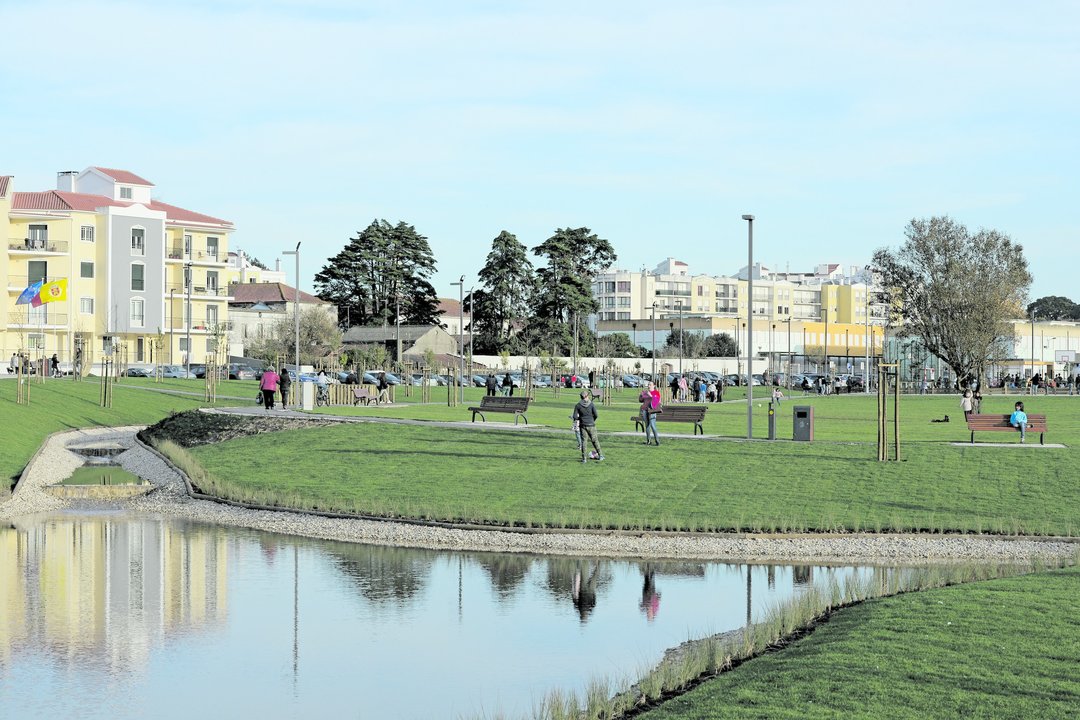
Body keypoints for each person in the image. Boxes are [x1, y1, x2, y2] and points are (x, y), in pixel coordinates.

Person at [572, 390, 603, 463]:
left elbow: (574, 417)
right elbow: (596, 415)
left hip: (583, 426)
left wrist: (580, 419)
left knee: (584, 442)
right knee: (595, 440)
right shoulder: (591, 404)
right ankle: (600, 455)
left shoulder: (578, 405)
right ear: (586, 396)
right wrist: (592, 420)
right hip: (591, 425)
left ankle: (584, 459)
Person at [639, 381, 662, 446]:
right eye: (648, 385)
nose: (649, 386)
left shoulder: (656, 393)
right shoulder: (645, 392)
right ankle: (648, 441)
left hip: (652, 411)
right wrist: (640, 395)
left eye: (650, 385)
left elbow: (657, 401)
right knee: (647, 426)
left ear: (654, 386)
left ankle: (657, 441)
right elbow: (641, 400)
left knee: (653, 426)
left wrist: (651, 395)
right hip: (645, 410)